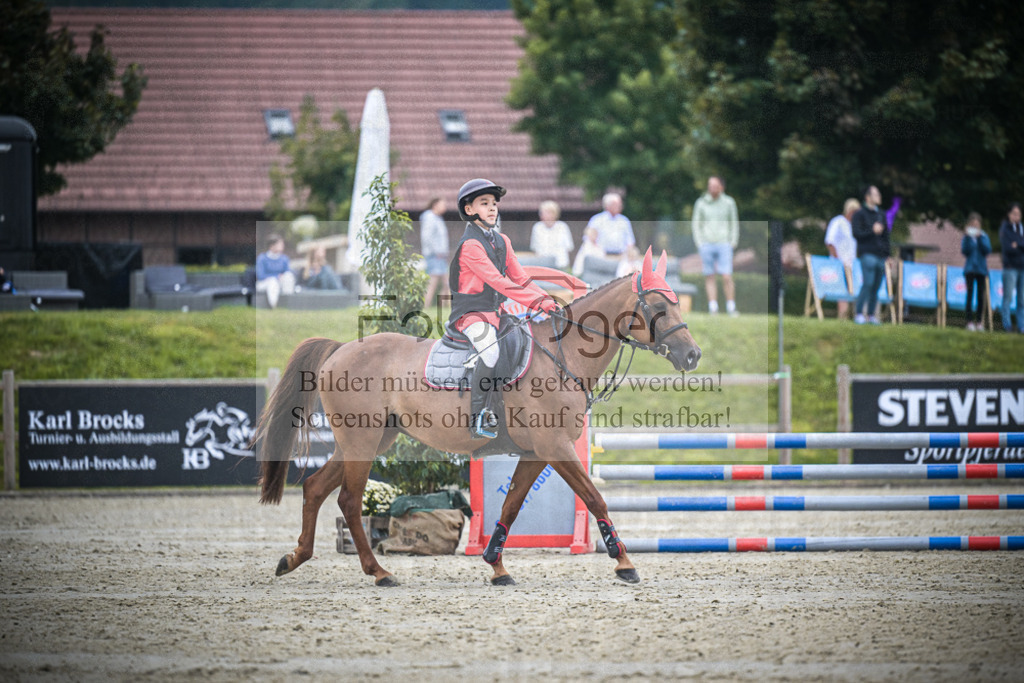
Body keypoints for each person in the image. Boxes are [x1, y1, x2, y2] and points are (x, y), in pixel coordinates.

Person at [448, 178, 560, 439]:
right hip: (471, 315)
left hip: (496, 314)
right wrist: (536, 302)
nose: (492, 208)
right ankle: (478, 417)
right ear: (469, 210)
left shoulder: (503, 241)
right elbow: (500, 282)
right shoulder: (470, 246)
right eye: (484, 203)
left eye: (494, 203)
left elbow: (521, 278)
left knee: (527, 341)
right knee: (490, 352)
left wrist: (548, 299)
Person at [692, 176, 740, 315]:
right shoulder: (701, 203)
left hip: (724, 243)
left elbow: (734, 222)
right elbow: (696, 224)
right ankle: (713, 308)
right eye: (710, 185)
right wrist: (700, 243)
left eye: (714, 185)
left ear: (721, 187)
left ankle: (731, 307)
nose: (711, 188)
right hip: (706, 244)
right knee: (710, 276)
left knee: (727, 276)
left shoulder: (729, 202)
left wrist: (733, 242)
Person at [851, 185, 891, 324]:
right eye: (876, 194)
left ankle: (871, 315)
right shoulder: (859, 214)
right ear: (868, 197)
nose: (879, 196)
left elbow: (886, 236)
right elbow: (856, 234)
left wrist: (888, 255)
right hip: (867, 254)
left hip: (881, 256)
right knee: (868, 283)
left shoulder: (881, 215)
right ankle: (859, 313)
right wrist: (872, 231)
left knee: (876, 286)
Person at [825, 198, 861, 320]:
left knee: (853, 291)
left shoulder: (854, 226)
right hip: (839, 264)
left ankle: (855, 317)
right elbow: (830, 242)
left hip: (852, 265)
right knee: (842, 293)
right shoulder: (838, 222)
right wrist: (837, 260)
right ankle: (842, 318)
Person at [960, 212, 991, 331]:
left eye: (977, 225)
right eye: (973, 225)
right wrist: (968, 237)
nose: (975, 227)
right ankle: (969, 321)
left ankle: (979, 322)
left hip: (981, 270)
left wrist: (980, 238)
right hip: (970, 269)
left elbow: (987, 250)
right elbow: (965, 251)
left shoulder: (984, 236)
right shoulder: (967, 237)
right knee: (969, 294)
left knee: (980, 296)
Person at [998, 202, 1024, 333]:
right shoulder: (1004, 229)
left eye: (1018, 214)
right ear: (1009, 214)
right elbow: (1008, 248)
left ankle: (1021, 325)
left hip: (1022, 267)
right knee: (1008, 298)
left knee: (1022, 300)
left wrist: (1017, 244)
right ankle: (1007, 325)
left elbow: (1018, 245)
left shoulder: (1022, 229)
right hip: (1010, 268)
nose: (1016, 216)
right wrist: (1019, 245)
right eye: (1014, 213)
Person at [420, 197, 450, 307]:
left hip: (440, 255)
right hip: (434, 256)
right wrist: (436, 251)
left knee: (446, 283)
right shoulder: (429, 217)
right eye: (443, 204)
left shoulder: (438, 218)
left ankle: (444, 306)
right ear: (435, 205)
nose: (445, 207)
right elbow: (427, 237)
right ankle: (426, 306)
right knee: (432, 283)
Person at [530, 200, 574, 269]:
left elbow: (569, 247)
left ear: (555, 214)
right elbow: (535, 248)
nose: (544, 215)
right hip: (543, 265)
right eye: (542, 213)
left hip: (560, 265)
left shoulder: (562, 227)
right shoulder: (537, 227)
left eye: (548, 212)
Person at [255, 234, 296, 308]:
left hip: (280, 282)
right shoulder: (262, 258)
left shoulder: (284, 258)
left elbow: (287, 272)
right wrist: (276, 276)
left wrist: (282, 277)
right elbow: (260, 276)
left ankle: (288, 303)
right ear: (272, 246)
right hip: (264, 283)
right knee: (272, 281)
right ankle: (273, 306)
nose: (283, 246)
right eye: (280, 244)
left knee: (288, 276)